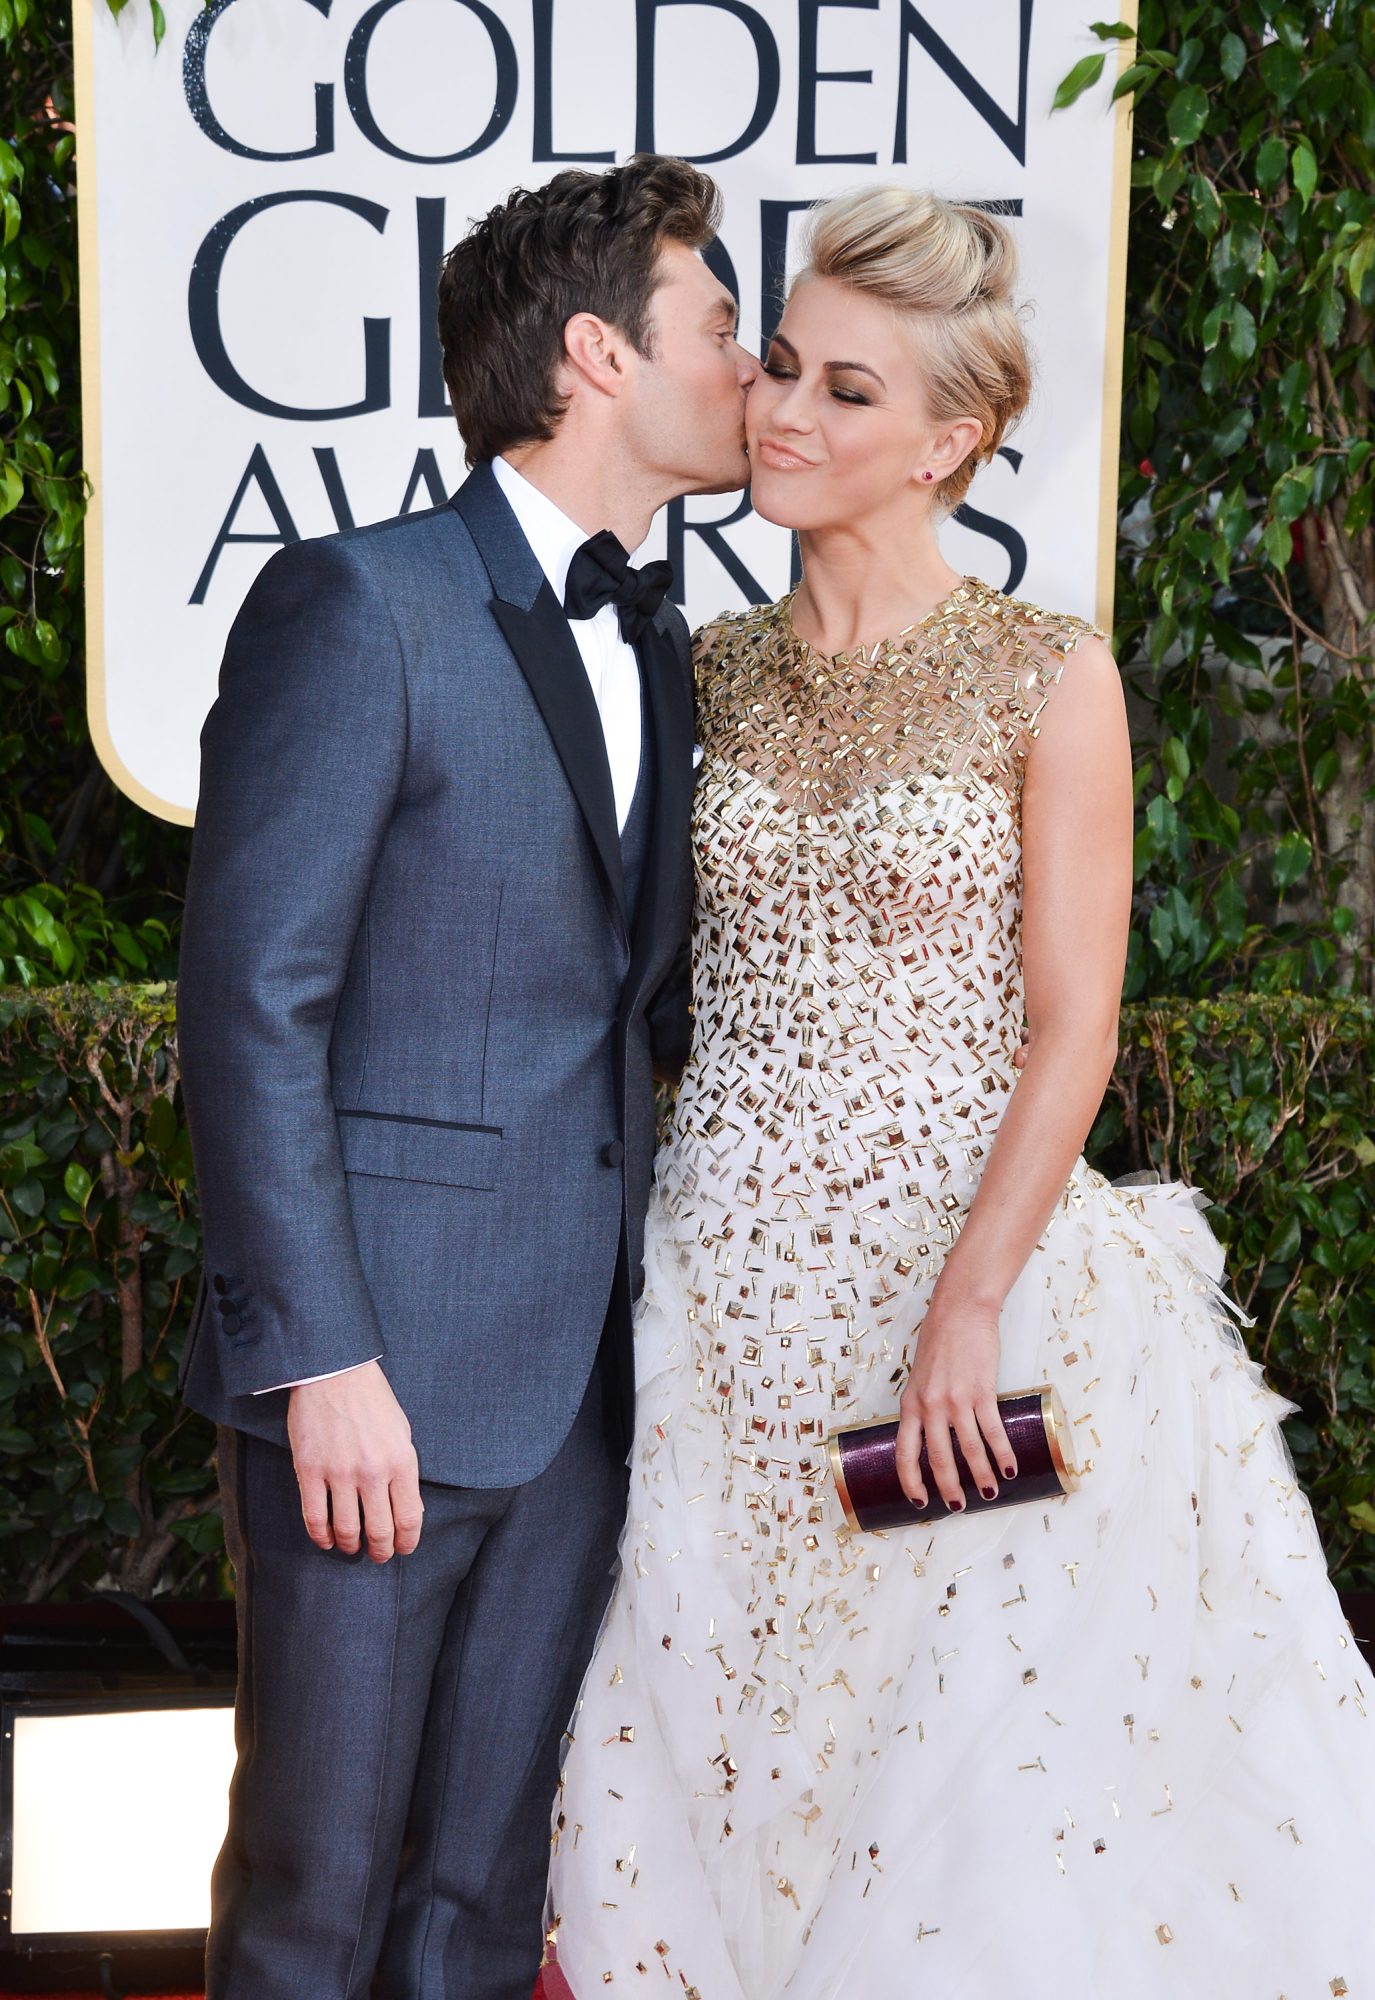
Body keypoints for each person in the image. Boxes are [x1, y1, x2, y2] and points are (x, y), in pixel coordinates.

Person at [545, 187, 1375, 1997]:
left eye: (851, 393)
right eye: (780, 366)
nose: (782, 415)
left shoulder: (1049, 675)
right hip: (720, 1297)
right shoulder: (702, 673)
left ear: (953, 442)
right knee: (735, 1766)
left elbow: (1077, 1022)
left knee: (984, 1797)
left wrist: (970, 1307)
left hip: (969, 1287)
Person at [175, 154, 756, 2000]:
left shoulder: (664, 641)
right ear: (600, 352)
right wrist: (317, 1357)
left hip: (584, 1391)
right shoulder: (361, 604)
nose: (747, 367)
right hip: (379, 1387)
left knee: (490, 1904)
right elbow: (252, 1000)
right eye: (721, 324)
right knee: (316, 1897)